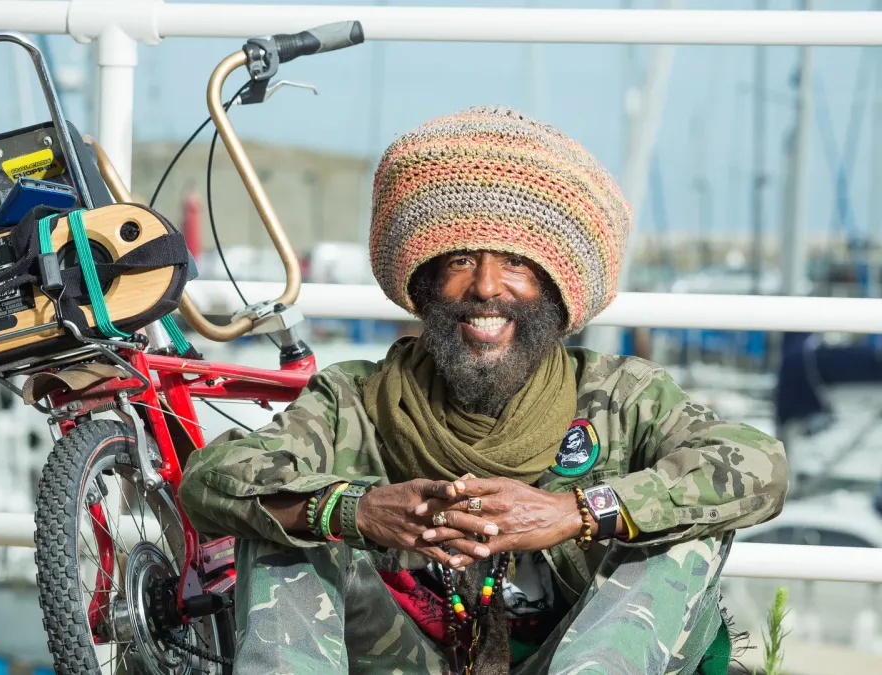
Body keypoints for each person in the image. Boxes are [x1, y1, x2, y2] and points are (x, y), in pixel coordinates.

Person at [178, 105, 788, 675]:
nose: (487, 286)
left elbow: (759, 463)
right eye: (461, 260)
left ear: (553, 288)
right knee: (285, 524)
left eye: (516, 263)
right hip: (404, 658)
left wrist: (576, 513)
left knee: (681, 527)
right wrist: (355, 510)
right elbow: (213, 478)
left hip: (577, 658)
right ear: (425, 282)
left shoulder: (620, 396)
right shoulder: (354, 399)